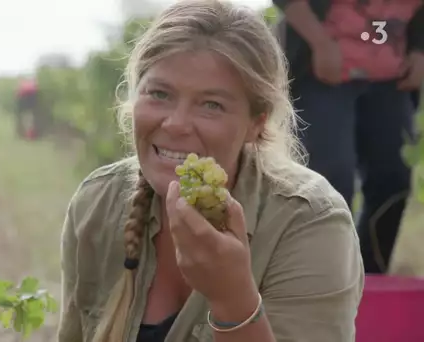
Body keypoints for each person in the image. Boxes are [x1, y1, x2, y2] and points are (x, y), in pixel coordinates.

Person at [58, 1, 364, 342]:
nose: (175, 124)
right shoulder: (97, 204)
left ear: (256, 124)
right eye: (159, 94)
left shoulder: (309, 222)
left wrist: (232, 298)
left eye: (211, 105)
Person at [272, 0, 424, 274]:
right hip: (322, 69)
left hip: (391, 77)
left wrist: (419, 49)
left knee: (393, 182)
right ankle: (320, 276)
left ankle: (369, 277)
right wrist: (319, 42)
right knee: (328, 178)